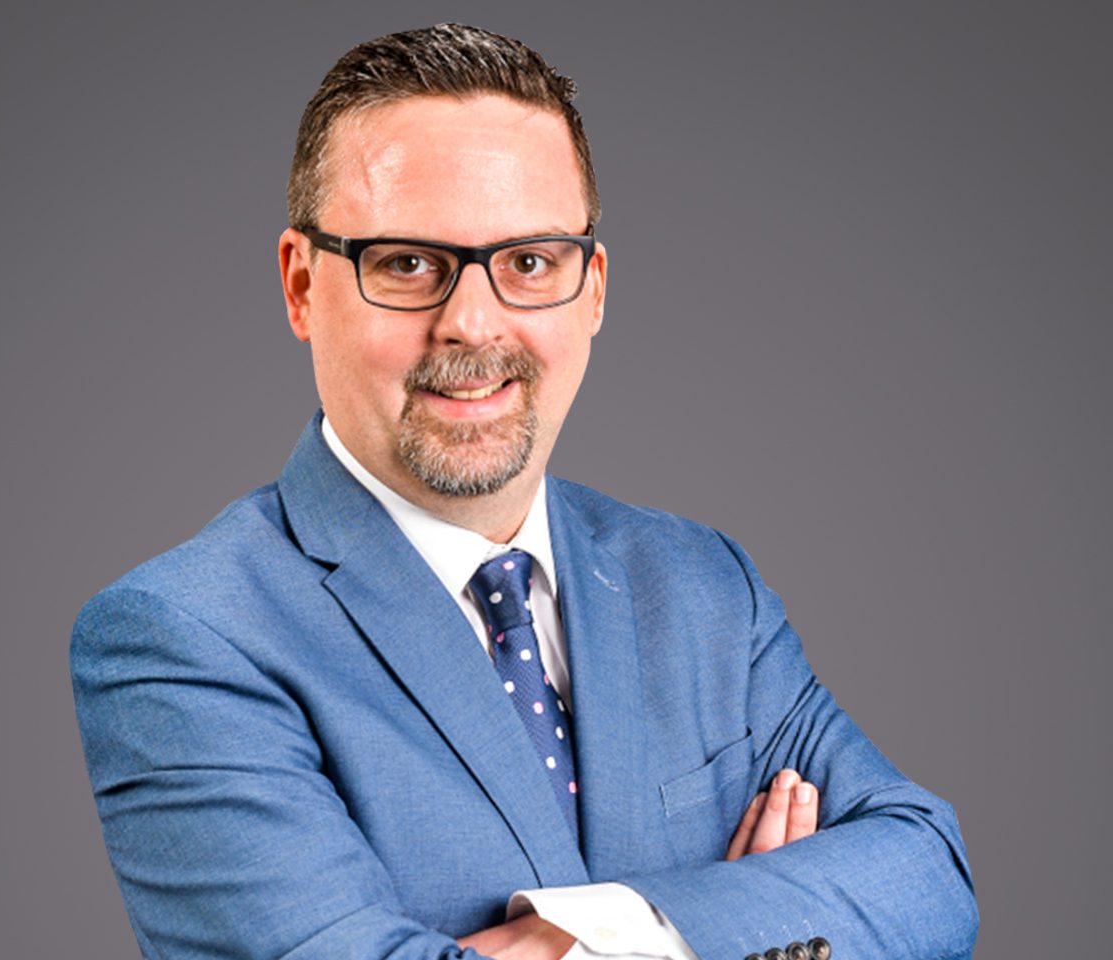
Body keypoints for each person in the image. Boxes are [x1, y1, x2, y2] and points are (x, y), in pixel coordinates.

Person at [71, 23, 977, 960]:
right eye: (407, 263)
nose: (471, 323)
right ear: (303, 286)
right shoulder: (183, 639)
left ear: (593, 290)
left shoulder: (705, 587)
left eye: (530, 262)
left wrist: (593, 934)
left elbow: (928, 875)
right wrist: (744, 915)